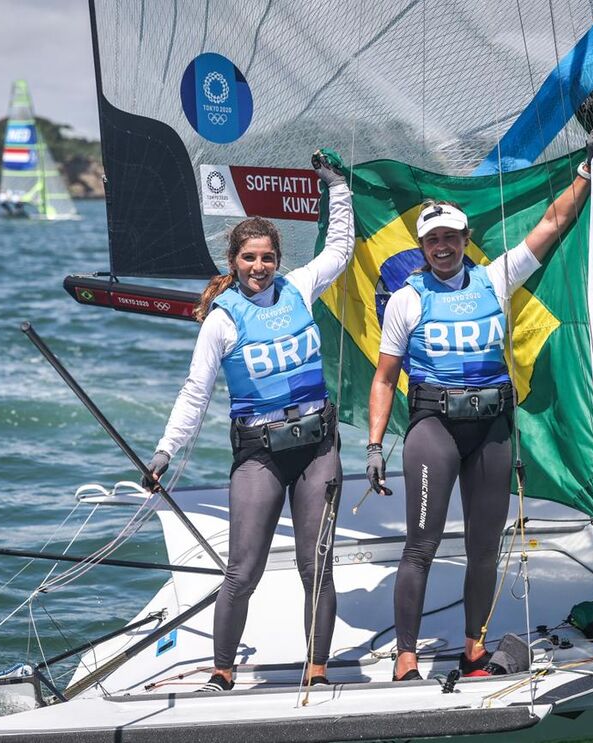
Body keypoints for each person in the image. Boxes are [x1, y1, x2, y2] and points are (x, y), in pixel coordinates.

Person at [366, 131, 593, 682]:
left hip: (494, 430)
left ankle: (472, 650)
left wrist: (588, 172)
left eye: (451, 237)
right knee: (421, 546)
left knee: (484, 548)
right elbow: (384, 380)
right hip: (435, 430)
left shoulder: (495, 277)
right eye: (433, 241)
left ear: (465, 238)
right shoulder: (407, 298)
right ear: (423, 246)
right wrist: (376, 445)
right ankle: (407, 657)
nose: (443, 247)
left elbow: (552, 225)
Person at [143, 151, 353, 692]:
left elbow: (340, 248)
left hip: (316, 447)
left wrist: (338, 188)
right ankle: (222, 673)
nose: (258, 266)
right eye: (248, 258)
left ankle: (318, 670)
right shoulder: (220, 319)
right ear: (233, 261)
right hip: (259, 453)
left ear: (278, 259)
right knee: (242, 570)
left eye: (266, 257)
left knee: (316, 565)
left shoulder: (302, 287)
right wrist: (165, 452)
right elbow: (195, 392)